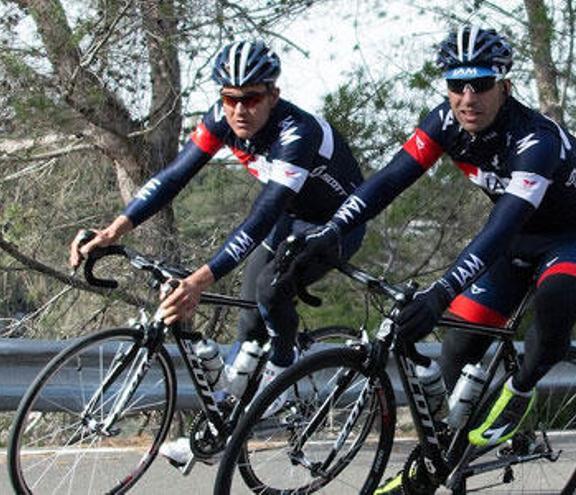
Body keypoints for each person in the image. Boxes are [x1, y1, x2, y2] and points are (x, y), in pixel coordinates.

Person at [283, 26, 576, 493]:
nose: (468, 97)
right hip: (514, 237)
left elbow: (501, 228)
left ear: (505, 87)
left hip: (571, 235)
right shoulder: (445, 122)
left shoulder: (535, 141)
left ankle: (519, 392)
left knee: (555, 301)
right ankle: (439, 465)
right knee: (458, 342)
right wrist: (332, 230)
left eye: (481, 85)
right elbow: (389, 180)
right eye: (457, 85)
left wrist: (439, 293)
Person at [68, 40, 365, 463]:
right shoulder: (221, 120)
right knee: (247, 323)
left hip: (333, 224)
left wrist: (198, 282)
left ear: (273, 96)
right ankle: (217, 433)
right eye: (229, 99)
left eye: (251, 98)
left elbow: (259, 218)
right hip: (288, 215)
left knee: (269, 288)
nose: (239, 109)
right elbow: (172, 177)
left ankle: (284, 370)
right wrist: (115, 229)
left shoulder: (297, 133)